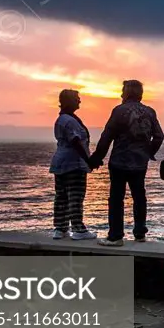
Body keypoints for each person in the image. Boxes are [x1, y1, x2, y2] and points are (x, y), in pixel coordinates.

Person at [89, 80, 164, 246]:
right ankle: (140, 234)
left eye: (122, 91)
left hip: (119, 162)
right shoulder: (150, 112)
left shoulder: (119, 111)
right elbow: (159, 136)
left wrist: (96, 158)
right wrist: (148, 152)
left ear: (127, 92)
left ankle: (116, 236)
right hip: (140, 162)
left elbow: (106, 136)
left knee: (116, 198)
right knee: (139, 196)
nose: (121, 94)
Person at [49, 89, 97, 240]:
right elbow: (75, 141)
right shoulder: (69, 121)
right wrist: (88, 160)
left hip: (62, 162)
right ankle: (78, 229)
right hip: (73, 163)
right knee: (75, 195)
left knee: (61, 196)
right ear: (68, 101)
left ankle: (60, 228)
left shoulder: (63, 119)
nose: (79, 101)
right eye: (77, 98)